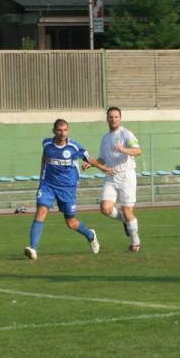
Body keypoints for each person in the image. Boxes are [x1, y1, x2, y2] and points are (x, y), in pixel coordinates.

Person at [24, 119, 111, 260]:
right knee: (40, 212)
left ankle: (91, 235)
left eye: (65, 130)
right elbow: (45, 156)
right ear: (54, 131)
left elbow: (89, 158)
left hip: (67, 188)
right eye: (59, 130)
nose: (62, 133)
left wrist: (103, 168)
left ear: (68, 130)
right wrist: (42, 177)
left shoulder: (74, 147)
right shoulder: (47, 143)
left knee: (71, 222)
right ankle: (33, 249)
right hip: (48, 185)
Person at [87, 106, 142, 252]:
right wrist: (92, 164)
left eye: (116, 116)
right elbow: (102, 158)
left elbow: (138, 151)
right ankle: (125, 220)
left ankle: (135, 242)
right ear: (107, 119)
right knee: (105, 208)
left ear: (120, 118)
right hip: (111, 176)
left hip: (126, 175)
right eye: (110, 117)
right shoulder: (106, 138)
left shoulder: (126, 134)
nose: (113, 119)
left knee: (126, 209)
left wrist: (124, 149)